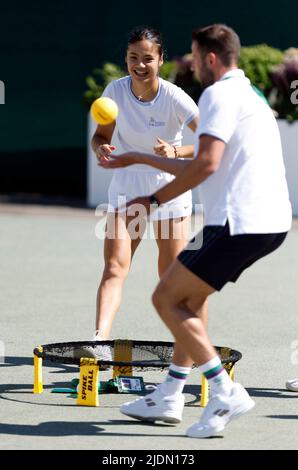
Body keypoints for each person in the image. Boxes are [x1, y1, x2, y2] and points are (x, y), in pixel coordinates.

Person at [100, 24, 292, 438]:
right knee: (192, 297)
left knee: (166, 297)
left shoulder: (218, 95)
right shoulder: (250, 94)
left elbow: (204, 164)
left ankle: (224, 390)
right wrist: (137, 157)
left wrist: (151, 200)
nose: (191, 65)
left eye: (193, 55)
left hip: (239, 223)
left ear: (210, 58)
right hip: (270, 221)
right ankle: (170, 393)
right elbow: (205, 161)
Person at [90, 27, 199, 355]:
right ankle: (99, 342)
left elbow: (211, 142)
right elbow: (101, 136)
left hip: (170, 188)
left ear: (161, 60)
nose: (139, 65)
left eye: (147, 58)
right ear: (125, 58)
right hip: (126, 187)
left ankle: (188, 345)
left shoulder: (175, 97)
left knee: (171, 276)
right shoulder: (115, 91)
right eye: (133, 57)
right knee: (114, 267)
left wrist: (176, 153)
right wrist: (101, 148)